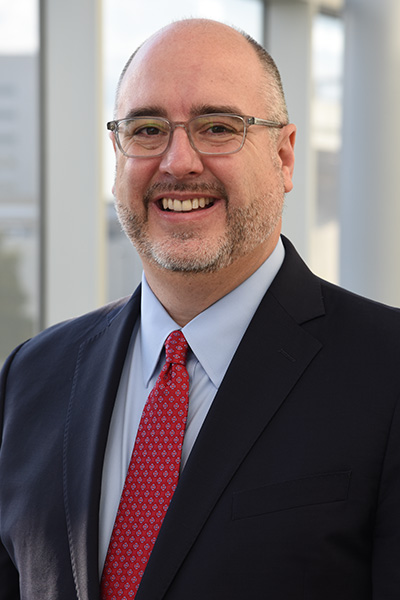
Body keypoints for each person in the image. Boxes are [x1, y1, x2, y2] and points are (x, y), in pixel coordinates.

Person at [1, 18, 400, 600]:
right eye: (147, 129)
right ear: (118, 154)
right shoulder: (30, 379)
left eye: (218, 127)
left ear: (285, 158)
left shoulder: (386, 373)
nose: (178, 161)